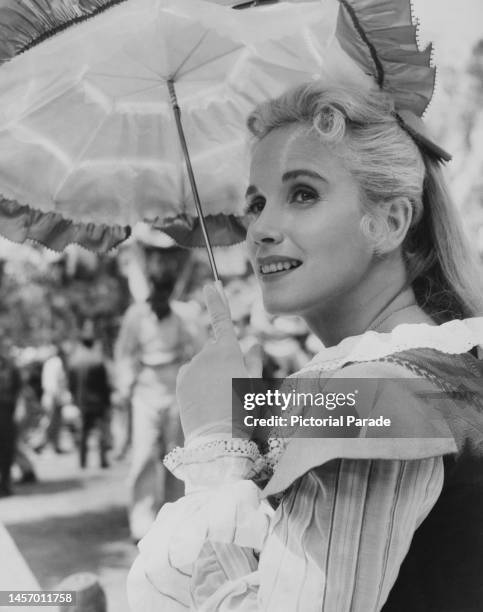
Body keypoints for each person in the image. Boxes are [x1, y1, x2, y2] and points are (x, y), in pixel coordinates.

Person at [128, 78, 483, 610]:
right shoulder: (443, 367)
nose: (262, 228)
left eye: (303, 193)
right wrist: (242, 411)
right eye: (256, 203)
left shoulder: (376, 392)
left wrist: (212, 437)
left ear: (389, 222)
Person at [115, 244, 198, 543]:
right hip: (145, 392)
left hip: (175, 389)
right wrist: (124, 388)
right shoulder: (135, 315)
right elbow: (124, 354)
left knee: (177, 456)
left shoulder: (184, 315)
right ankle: (142, 520)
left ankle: (177, 515)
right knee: (144, 455)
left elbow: (197, 352)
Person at [68, 319, 112, 469]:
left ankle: (82, 462)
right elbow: (104, 386)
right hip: (98, 403)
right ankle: (102, 460)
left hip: (82, 403)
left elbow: (71, 385)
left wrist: (75, 400)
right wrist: (107, 402)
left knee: (84, 434)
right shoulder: (97, 361)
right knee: (100, 433)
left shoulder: (74, 361)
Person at [0, 336, 21, 497]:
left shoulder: (10, 366)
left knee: (7, 450)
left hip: (6, 412)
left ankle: (5, 484)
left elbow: (18, 389)